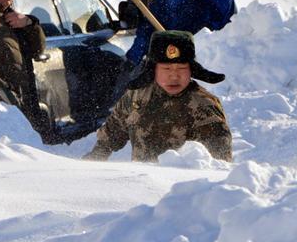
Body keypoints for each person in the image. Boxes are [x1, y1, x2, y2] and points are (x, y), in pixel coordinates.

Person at [85, 31, 233, 162]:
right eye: (166, 68)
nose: (174, 76)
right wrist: (93, 162)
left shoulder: (204, 106)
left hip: (183, 189)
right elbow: (112, 133)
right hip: (140, 184)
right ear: (153, 70)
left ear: (192, 71)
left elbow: (219, 163)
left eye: (181, 68)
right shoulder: (136, 96)